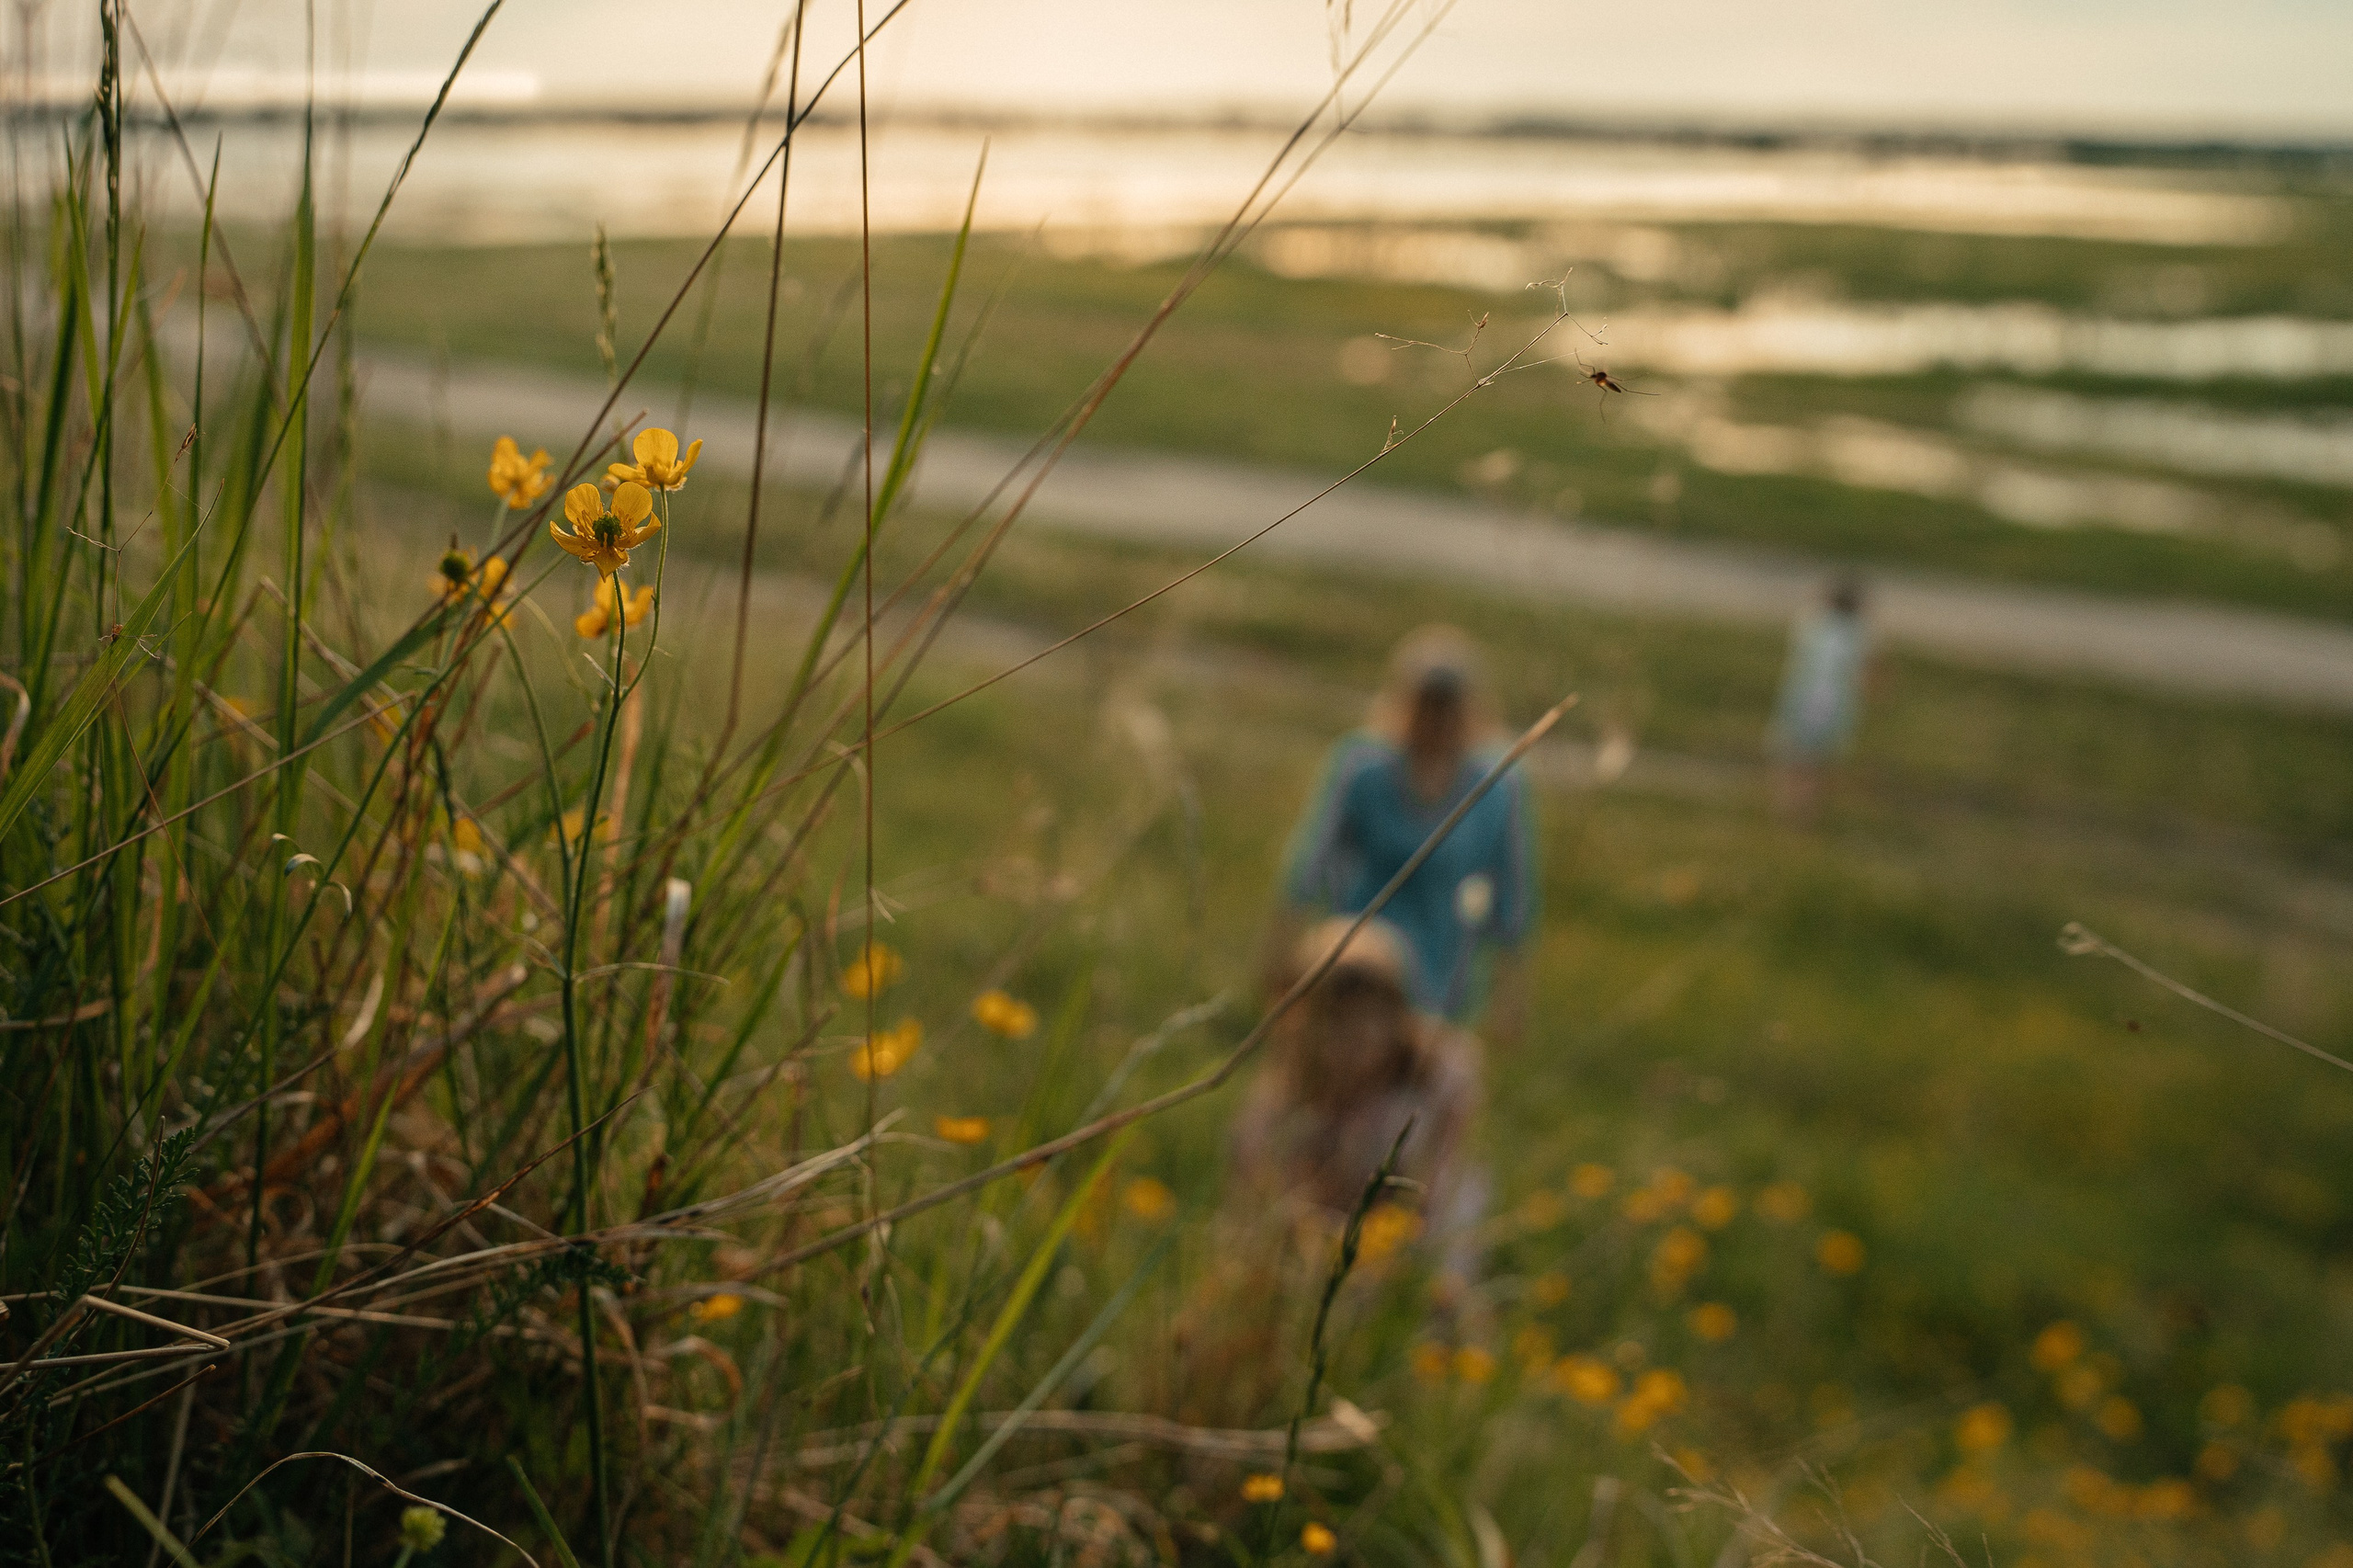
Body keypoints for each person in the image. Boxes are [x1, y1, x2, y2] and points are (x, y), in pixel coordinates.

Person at [1276, 625, 1536, 1040]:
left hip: (1442, 968)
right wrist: (1285, 943)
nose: (1435, 720)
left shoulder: (1496, 787)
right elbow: (1314, 858)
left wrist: (1511, 989)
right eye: (1426, 705)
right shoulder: (1363, 769)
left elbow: (1511, 889)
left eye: (1447, 707)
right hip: (1360, 955)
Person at [1232, 917, 1485, 1267]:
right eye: (1335, 1019)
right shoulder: (1283, 1098)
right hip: (1317, 1241)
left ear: (1398, 1014)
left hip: (1415, 1229)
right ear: (1303, 1024)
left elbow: (1440, 1175)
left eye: (1373, 1016)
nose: (1357, 1035)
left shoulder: (1432, 1074)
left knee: (1456, 1215)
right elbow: (1260, 1189)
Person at [1768, 574, 1873, 822]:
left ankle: (1789, 805)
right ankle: (1807, 809)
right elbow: (1866, 673)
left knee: (1793, 752)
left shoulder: (1813, 624)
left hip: (1802, 694)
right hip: (1836, 702)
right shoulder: (1857, 633)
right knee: (1820, 759)